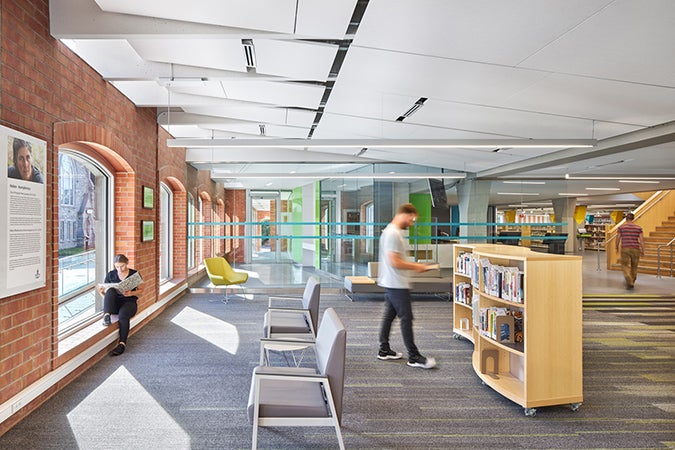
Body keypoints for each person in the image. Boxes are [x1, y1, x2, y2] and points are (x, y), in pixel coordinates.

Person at [376, 203, 437, 369]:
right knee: (406, 318)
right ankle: (414, 356)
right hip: (396, 284)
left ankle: (384, 350)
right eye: (412, 219)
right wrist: (418, 267)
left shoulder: (391, 232)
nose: (411, 223)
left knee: (389, 316)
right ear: (405, 214)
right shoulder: (393, 234)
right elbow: (394, 261)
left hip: (392, 282)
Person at [97, 254, 142, 356]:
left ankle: (122, 344)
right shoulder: (111, 275)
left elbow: (141, 290)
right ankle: (106, 315)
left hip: (129, 303)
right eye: (117, 267)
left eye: (122, 266)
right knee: (111, 291)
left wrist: (131, 293)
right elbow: (107, 298)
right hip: (115, 304)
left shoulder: (134, 274)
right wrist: (101, 293)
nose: (120, 269)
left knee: (123, 316)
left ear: (127, 263)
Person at [615, 212, 644, 289]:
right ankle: (632, 281)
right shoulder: (638, 228)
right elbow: (641, 240)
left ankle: (628, 277)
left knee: (624, 265)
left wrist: (616, 247)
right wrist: (643, 250)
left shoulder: (621, 227)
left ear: (626, 218)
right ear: (633, 219)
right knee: (634, 266)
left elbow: (618, 238)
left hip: (625, 248)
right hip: (636, 248)